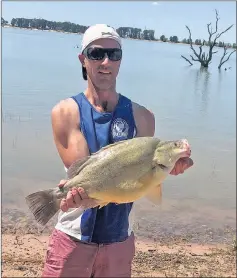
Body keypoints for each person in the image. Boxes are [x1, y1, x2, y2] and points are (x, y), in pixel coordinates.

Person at [42, 24, 193, 278]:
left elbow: (142, 179)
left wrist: (169, 169)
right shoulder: (65, 112)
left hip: (120, 241)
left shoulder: (144, 117)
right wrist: (73, 195)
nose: (105, 62)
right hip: (73, 237)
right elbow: (83, 175)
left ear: (121, 61)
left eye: (114, 55)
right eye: (96, 53)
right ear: (82, 59)